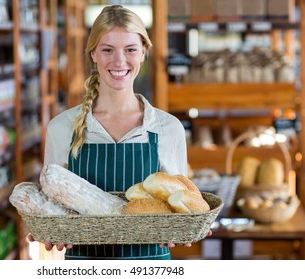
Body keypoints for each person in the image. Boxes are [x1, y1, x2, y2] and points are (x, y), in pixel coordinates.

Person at [30, 4, 208, 260]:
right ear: (93, 54)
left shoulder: (168, 129)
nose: (119, 61)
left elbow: (180, 204)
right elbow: (51, 206)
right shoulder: (62, 128)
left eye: (130, 50)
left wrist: (187, 229)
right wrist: (45, 230)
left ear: (144, 53)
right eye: (107, 50)